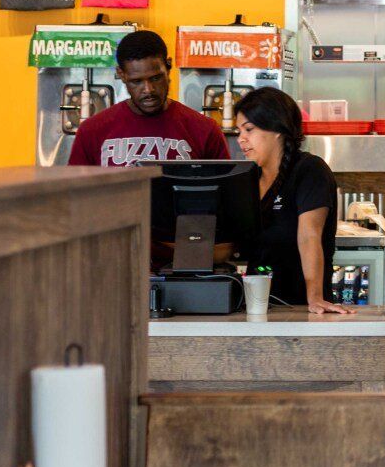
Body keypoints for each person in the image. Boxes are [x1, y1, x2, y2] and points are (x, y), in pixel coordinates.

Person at [232, 86, 350, 314]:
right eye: (238, 131)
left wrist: (314, 298)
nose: (241, 139)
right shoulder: (247, 178)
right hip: (256, 309)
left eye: (248, 129)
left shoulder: (309, 170)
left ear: (277, 128)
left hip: (302, 309)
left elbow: (309, 235)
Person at [68, 30, 230, 167]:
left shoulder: (204, 129)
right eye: (137, 81)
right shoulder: (92, 131)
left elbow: (225, 194)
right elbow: (74, 197)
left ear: (168, 66)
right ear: (121, 74)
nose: (148, 90)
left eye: (155, 78)